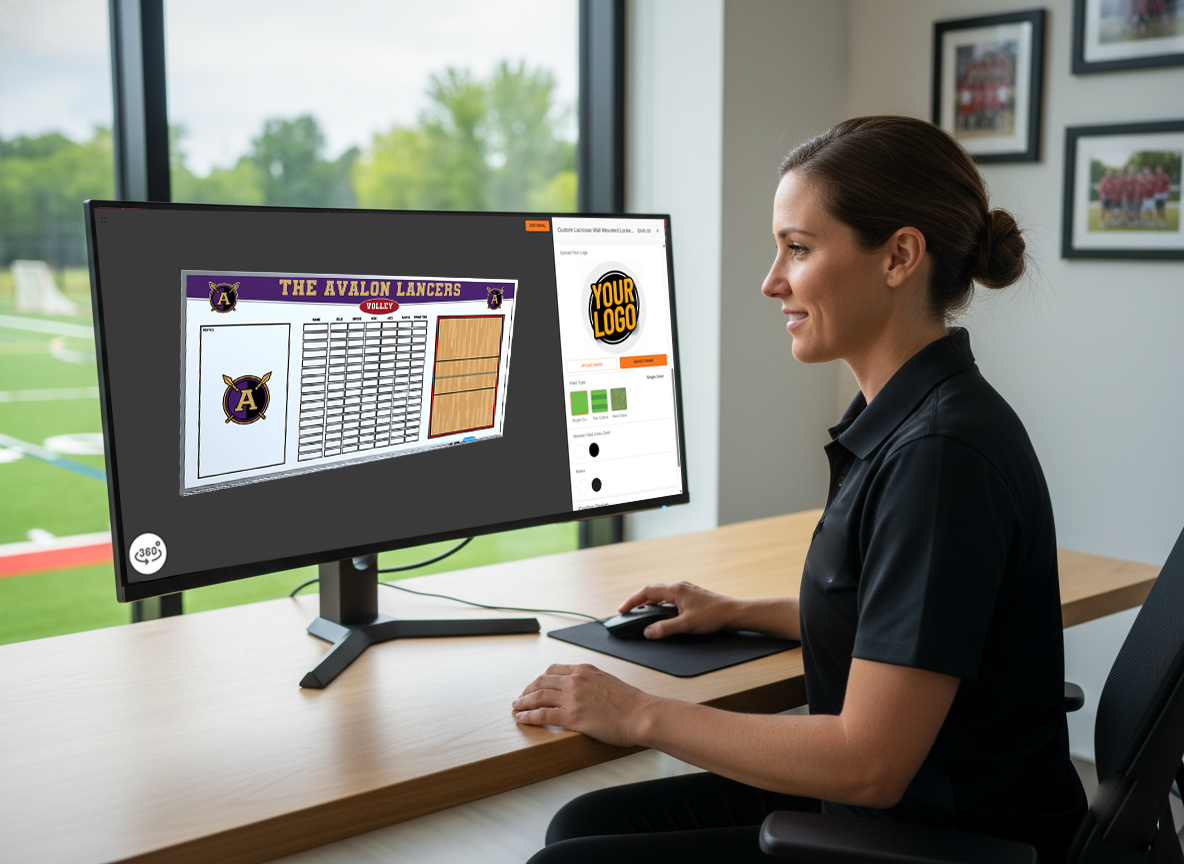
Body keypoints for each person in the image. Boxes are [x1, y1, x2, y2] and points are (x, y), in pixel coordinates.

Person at [515, 116, 1088, 864]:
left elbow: (867, 763)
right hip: (916, 800)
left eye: (799, 248)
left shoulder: (941, 456)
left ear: (899, 257)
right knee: (582, 826)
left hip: (938, 834)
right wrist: (736, 611)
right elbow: (900, 624)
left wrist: (638, 714)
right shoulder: (909, 415)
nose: (771, 280)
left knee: (572, 859)